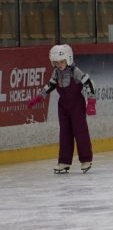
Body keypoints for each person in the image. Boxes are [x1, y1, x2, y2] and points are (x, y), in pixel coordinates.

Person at [27, 44, 96, 174]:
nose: (58, 65)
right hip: (63, 107)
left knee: (80, 132)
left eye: (61, 62)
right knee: (64, 133)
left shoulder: (75, 72)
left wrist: (91, 102)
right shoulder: (56, 73)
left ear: (68, 59)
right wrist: (38, 98)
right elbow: (50, 86)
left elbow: (89, 84)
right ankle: (64, 162)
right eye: (56, 63)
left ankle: (86, 159)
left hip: (76, 105)